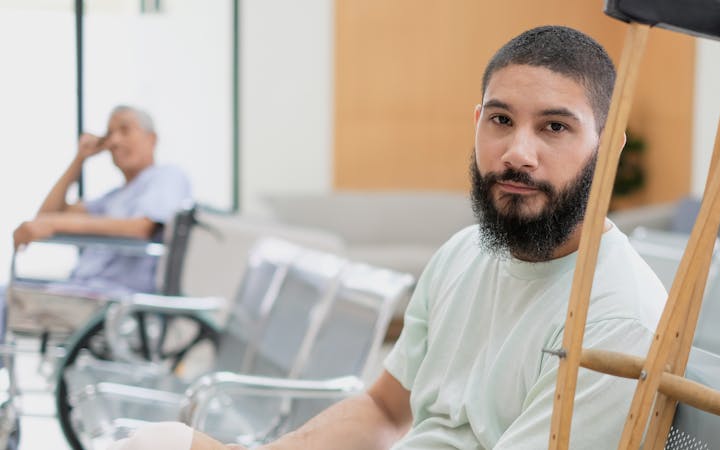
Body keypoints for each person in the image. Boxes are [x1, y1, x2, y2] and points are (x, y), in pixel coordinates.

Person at [112, 25, 666, 450]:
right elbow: (383, 410)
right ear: (477, 122)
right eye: (500, 120)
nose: (518, 152)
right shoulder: (463, 254)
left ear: (608, 147)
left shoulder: (617, 320)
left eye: (554, 127)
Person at [11, 105, 192, 295]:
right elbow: (45, 217)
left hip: (121, 299)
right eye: (109, 135)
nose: (114, 141)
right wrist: (79, 159)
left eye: (125, 130)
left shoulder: (168, 177)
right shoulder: (111, 198)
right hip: (83, 289)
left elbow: (142, 227)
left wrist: (56, 224)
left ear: (152, 139)